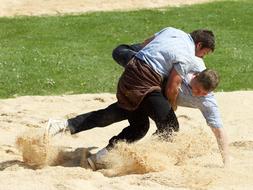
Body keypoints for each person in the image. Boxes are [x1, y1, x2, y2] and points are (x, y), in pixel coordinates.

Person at [46, 27, 229, 169]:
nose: (202, 56)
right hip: (146, 81)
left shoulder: (172, 31)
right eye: (204, 53)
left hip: (131, 73)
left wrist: (128, 56)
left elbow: (145, 44)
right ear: (199, 45)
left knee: (134, 124)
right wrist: (171, 106)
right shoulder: (190, 57)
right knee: (170, 126)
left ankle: (69, 130)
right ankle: (143, 156)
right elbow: (173, 86)